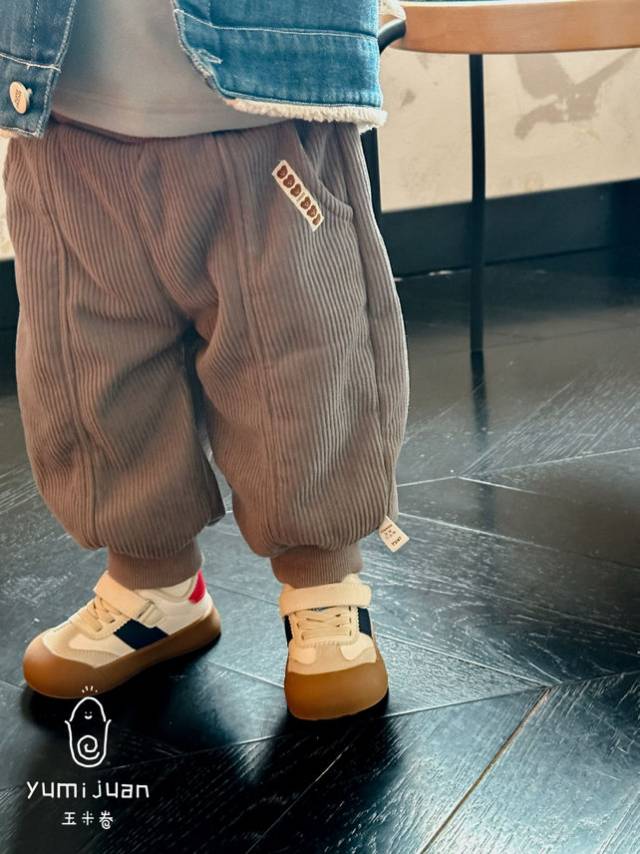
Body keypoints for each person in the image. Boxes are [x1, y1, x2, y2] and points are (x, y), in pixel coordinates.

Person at [0, 0, 410, 720]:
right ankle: (155, 586)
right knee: (88, 367)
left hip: (267, 109)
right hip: (64, 110)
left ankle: (323, 585)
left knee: (298, 360)